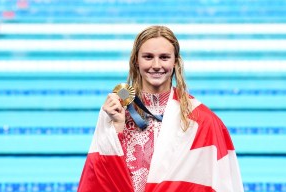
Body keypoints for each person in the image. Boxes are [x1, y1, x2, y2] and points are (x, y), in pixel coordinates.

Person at [77, 25, 244, 192]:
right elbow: (98, 177)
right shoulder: (115, 110)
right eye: (148, 57)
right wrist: (116, 128)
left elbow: (220, 181)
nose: (156, 65)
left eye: (164, 57)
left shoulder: (201, 120)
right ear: (136, 60)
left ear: (176, 62)